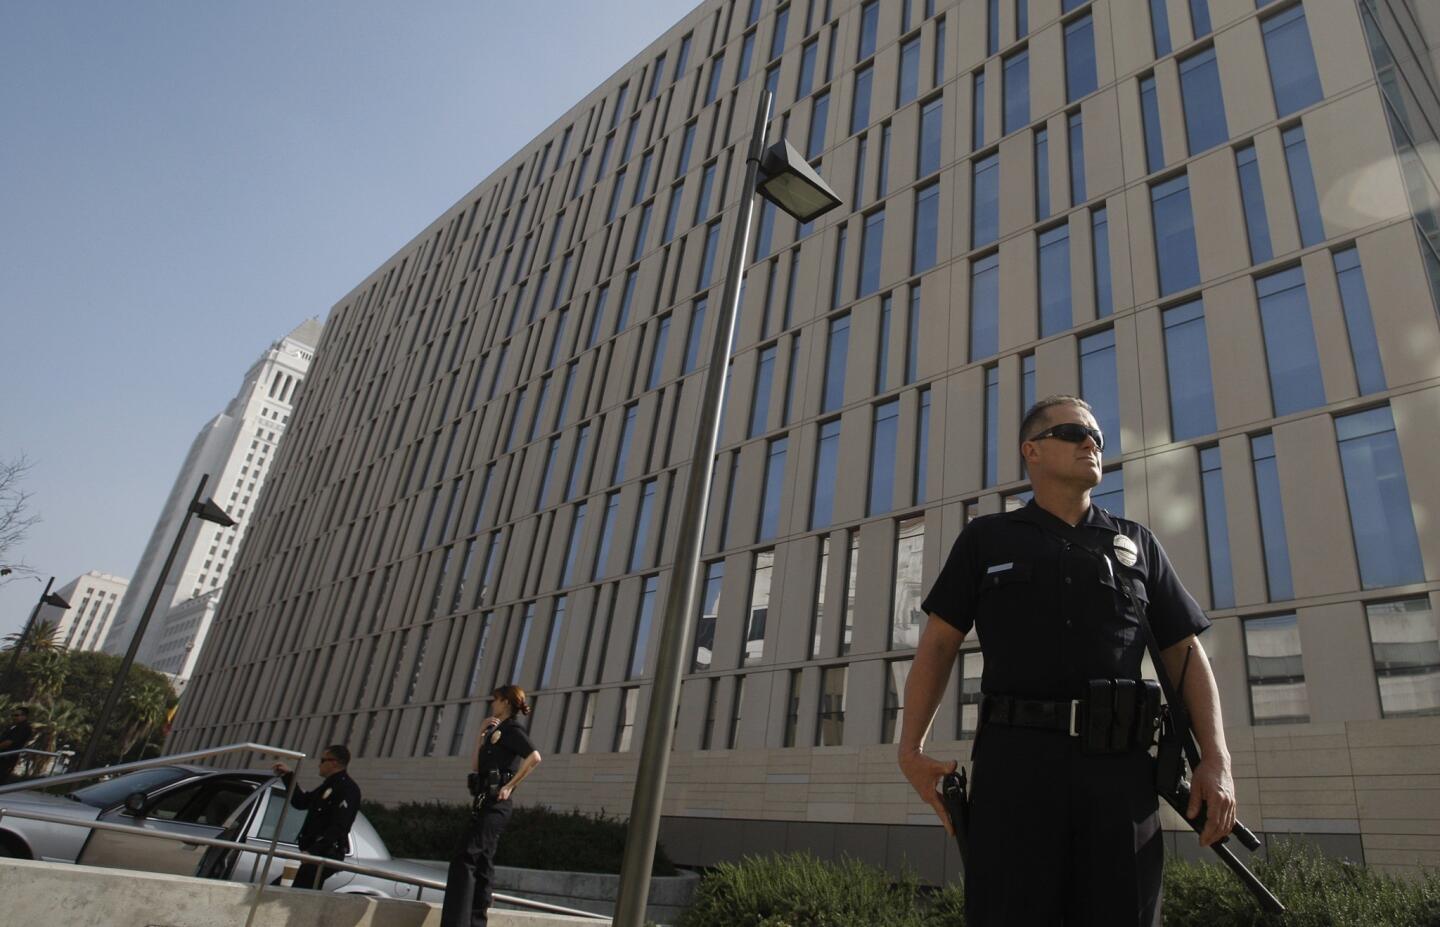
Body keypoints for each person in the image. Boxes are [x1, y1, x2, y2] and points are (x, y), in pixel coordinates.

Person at [898, 395, 1236, 926]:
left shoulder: (1135, 544)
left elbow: (1185, 654)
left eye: (1098, 437)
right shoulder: (986, 539)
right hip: (1017, 771)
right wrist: (910, 749)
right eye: (1075, 433)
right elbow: (938, 645)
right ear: (1030, 451)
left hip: (1121, 776)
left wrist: (1216, 759)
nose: (1092, 443)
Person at [441, 684, 543, 927]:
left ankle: (457, 922)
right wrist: (480, 735)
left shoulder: (512, 729)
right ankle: (477, 922)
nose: (492, 703)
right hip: (483, 802)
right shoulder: (495, 731)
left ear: (506, 702)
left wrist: (511, 786)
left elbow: (535, 757)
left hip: (497, 806)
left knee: (465, 856)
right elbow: (476, 767)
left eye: (496, 699)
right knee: (483, 864)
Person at [270, 744, 361, 890]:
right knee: (296, 894)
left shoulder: (347, 789)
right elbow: (301, 801)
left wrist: (313, 851)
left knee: (280, 890)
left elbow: (339, 826)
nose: (319, 765)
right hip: (315, 855)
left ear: (334, 763)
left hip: (324, 854)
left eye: (322, 760)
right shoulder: (328, 786)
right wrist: (288, 776)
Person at [0, 706, 34, 781]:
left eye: (16, 715)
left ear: (24, 716)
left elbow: (9, 742)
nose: (14, 717)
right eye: (13, 715)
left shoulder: (24, 728)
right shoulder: (13, 726)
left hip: (7, 757)